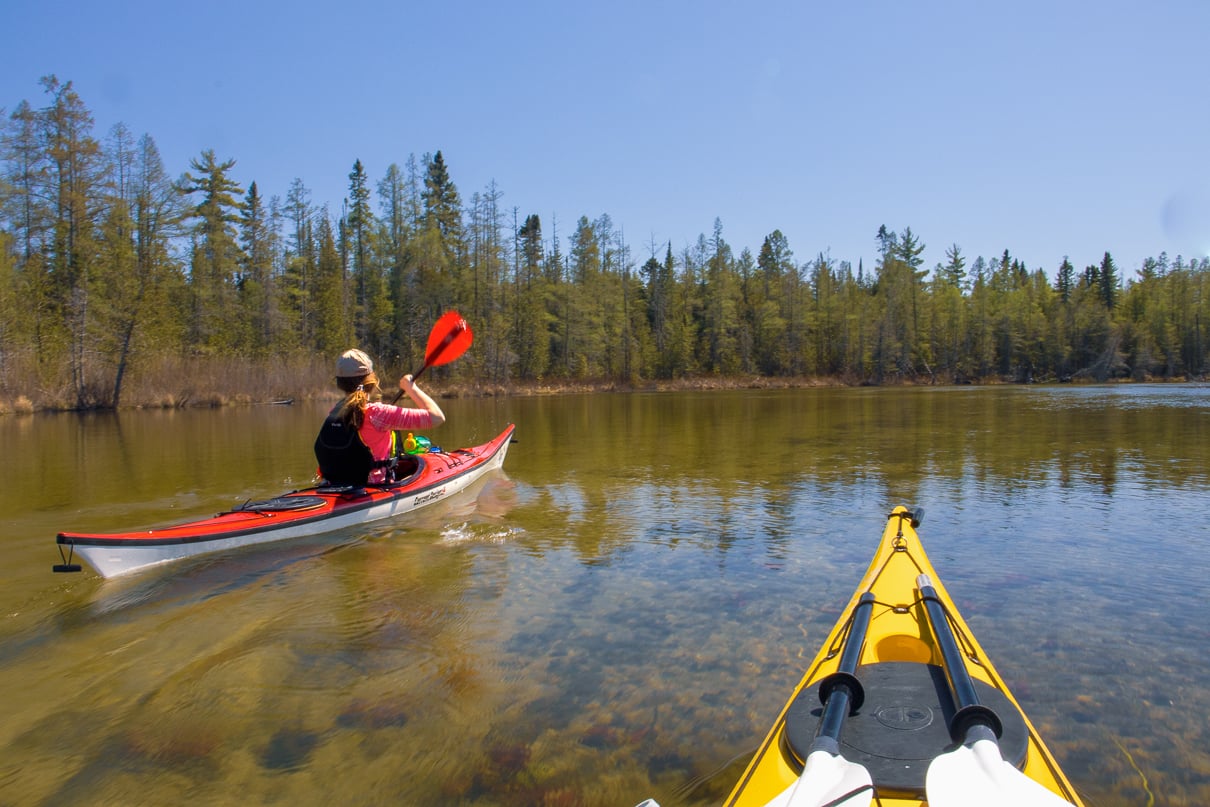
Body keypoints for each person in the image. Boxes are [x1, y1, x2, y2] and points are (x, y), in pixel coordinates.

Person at [314, 348, 446, 486]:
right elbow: (437, 417)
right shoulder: (379, 414)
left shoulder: (334, 411)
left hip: (336, 484)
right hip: (374, 487)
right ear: (372, 380)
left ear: (340, 383)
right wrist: (411, 388)